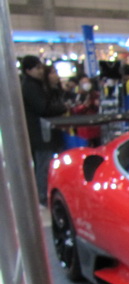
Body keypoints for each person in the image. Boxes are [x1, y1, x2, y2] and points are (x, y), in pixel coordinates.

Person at [21, 56, 67, 204]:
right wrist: (62, 108)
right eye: (38, 68)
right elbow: (42, 108)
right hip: (41, 134)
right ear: (28, 70)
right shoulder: (30, 86)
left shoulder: (36, 85)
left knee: (46, 164)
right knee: (44, 165)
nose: (41, 71)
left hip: (43, 133)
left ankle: (45, 195)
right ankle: (42, 196)